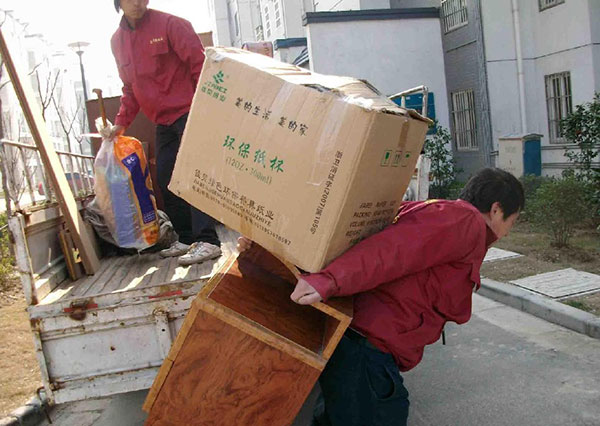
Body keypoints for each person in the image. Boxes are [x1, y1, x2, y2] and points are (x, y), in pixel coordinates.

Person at [237, 167, 525, 426]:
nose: (509, 231)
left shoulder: (439, 212)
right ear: (496, 209)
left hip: (356, 346)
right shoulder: (465, 222)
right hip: (368, 352)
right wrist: (331, 280)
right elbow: (392, 250)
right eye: (513, 221)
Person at [110, 0, 221, 266]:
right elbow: (130, 89)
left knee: (194, 175)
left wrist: (205, 109)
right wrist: (119, 124)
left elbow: (201, 67)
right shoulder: (117, 41)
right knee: (166, 176)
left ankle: (208, 240)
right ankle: (187, 237)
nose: (137, 2)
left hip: (189, 111)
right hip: (163, 120)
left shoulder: (171, 25)